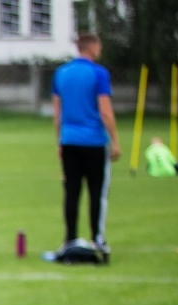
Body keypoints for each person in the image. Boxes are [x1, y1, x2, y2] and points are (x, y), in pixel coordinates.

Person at [51, 32, 120, 257]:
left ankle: (70, 238)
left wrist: (59, 141)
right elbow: (105, 111)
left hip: (69, 139)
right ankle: (97, 239)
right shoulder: (98, 74)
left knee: (72, 191)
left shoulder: (61, 73)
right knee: (96, 192)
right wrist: (115, 141)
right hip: (93, 141)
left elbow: (57, 113)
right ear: (92, 48)